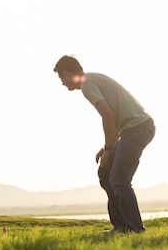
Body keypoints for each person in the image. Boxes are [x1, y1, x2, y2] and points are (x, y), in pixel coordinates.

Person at [54, 55, 155, 233]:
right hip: (131, 129)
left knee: (119, 180)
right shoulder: (91, 79)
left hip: (137, 128)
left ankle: (135, 229)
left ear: (66, 73)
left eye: (61, 78)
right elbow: (114, 119)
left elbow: (108, 117)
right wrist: (107, 147)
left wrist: (109, 149)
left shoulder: (86, 83)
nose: (62, 83)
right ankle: (121, 226)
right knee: (105, 172)